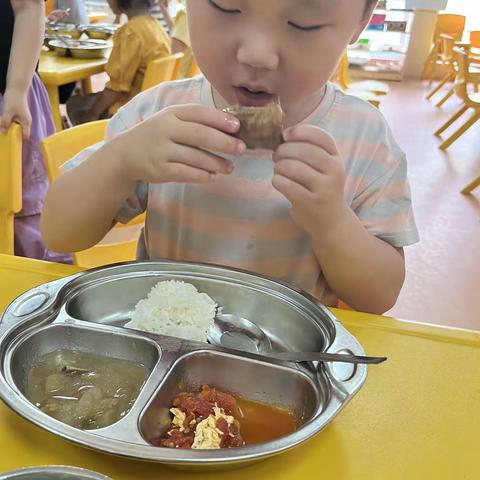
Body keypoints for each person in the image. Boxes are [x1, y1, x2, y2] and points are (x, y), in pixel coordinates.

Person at [42, 0, 419, 314]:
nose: (257, 54)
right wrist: (120, 162)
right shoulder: (157, 114)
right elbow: (58, 233)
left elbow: (379, 297)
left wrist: (332, 222)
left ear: (360, 22)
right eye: (225, 5)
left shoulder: (364, 137)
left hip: (285, 363)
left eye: (303, 24)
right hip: (163, 342)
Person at [0, 0, 70, 263]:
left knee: (20, 208)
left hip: (8, 99)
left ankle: (29, 292)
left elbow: (30, 7)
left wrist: (17, 90)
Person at [66, 0, 171, 125]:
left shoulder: (129, 32)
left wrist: (91, 115)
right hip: (151, 106)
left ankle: (93, 140)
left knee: (74, 104)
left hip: (127, 111)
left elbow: (116, 89)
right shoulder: (156, 26)